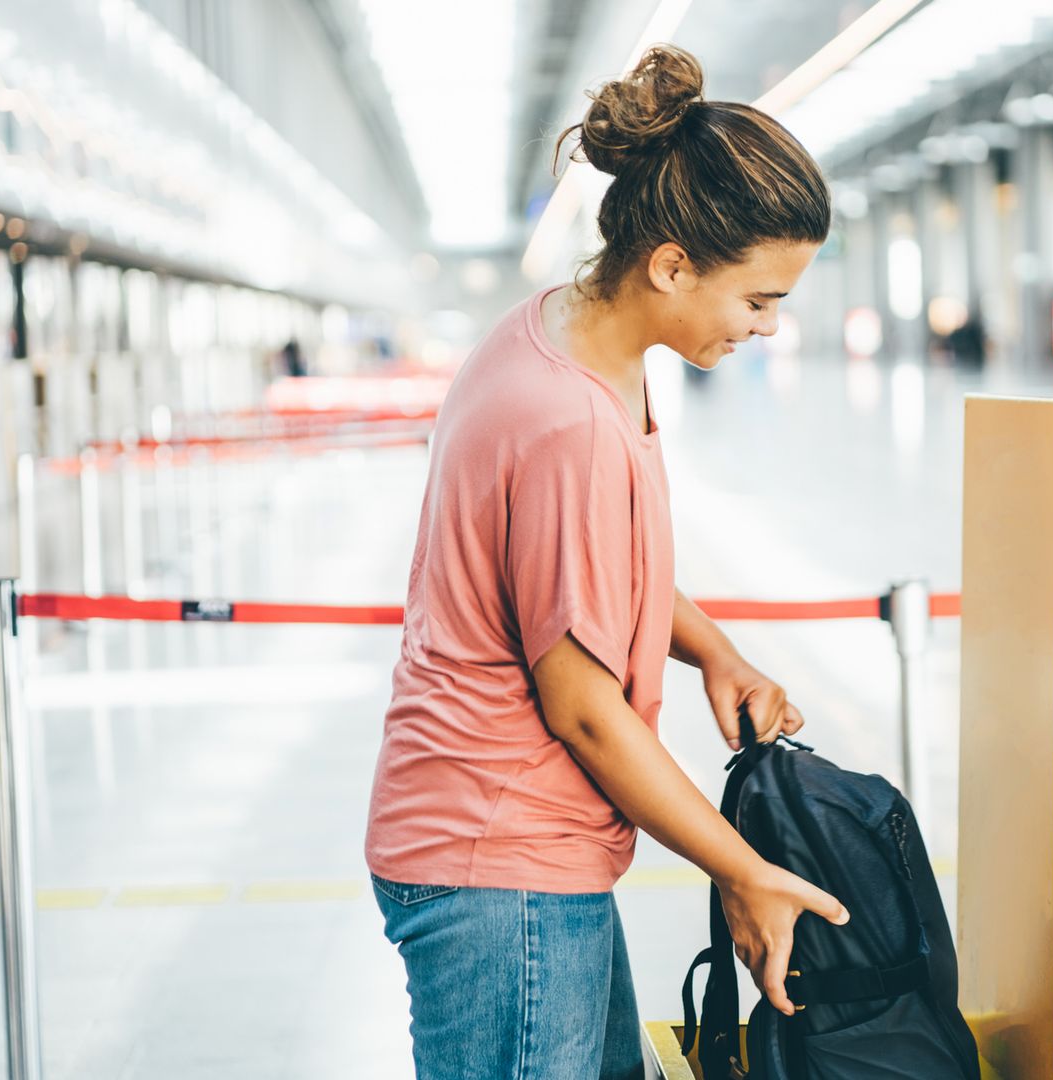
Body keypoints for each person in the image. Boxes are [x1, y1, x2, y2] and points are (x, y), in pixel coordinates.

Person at [364, 44, 849, 1080]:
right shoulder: (571, 420)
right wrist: (745, 872)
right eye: (758, 299)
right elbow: (583, 707)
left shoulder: (561, 335)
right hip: (497, 867)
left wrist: (712, 651)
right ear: (672, 265)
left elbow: (592, 570)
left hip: (509, 853)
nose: (766, 326)